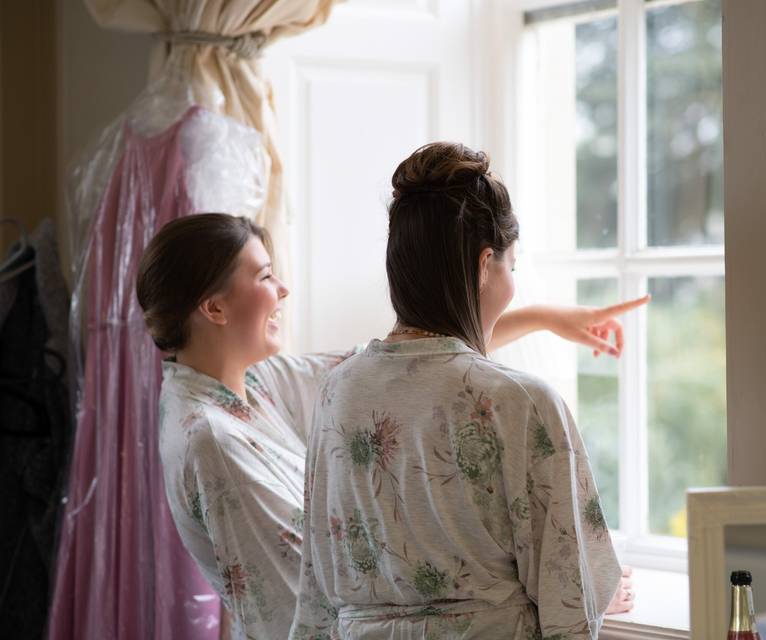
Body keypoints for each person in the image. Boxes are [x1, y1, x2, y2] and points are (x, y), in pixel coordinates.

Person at [136, 213, 646, 639]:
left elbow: (411, 360)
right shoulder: (212, 440)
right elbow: (297, 593)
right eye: (265, 276)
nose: (284, 288)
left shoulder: (257, 385)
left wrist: (545, 317)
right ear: (215, 307)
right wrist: (565, 583)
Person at [290, 142, 637, 639]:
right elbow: (570, 603)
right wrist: (595, 587)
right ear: (484, 264)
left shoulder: (337, 392)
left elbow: (316, 593)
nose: (512, 281)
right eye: (511, 267)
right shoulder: (524, 404)